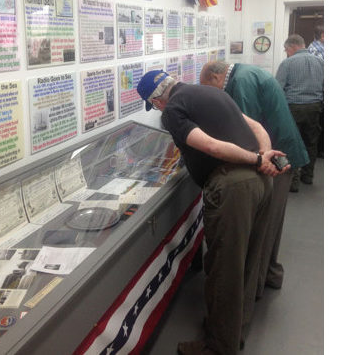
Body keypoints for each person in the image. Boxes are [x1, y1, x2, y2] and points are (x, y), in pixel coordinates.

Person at [137, 70, 289, 355]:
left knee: (224, 268)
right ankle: (236, 330)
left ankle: (219, 346)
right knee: (247, 260)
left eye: (154, 105)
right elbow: (256, 126)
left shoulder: (172, 111)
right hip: (261, 184)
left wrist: (258, 160)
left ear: (156, 101)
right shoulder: (210, 91)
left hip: (234, 187)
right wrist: (264, 157)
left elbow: (210, 146)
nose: (158, 109)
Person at [200, 61, 309, 299]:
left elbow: (245, 132)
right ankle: (270, 274)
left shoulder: (241, 82)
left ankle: (256, 287)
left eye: (209, 88)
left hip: (277, 159)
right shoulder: (245, 74)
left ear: (216, 77)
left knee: (264, 228)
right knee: (272, 224)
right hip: (280, 152)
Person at [276, 34, 323, 187]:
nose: (286, 52)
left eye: (286, 50)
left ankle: (293, 181)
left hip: (293, 108)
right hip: (315, 107)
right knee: (311, 142)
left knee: (292, 142)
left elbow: (278, 88)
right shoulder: (320, 62)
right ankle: (308, 176)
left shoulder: (287, 63)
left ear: (292, 47)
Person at [307, 25, 324, 157]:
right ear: (323, 36)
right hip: (319, 93)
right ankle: (319, 151)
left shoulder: (314, 48)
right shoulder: (317, 51)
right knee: (318, 125)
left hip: (317, 92)